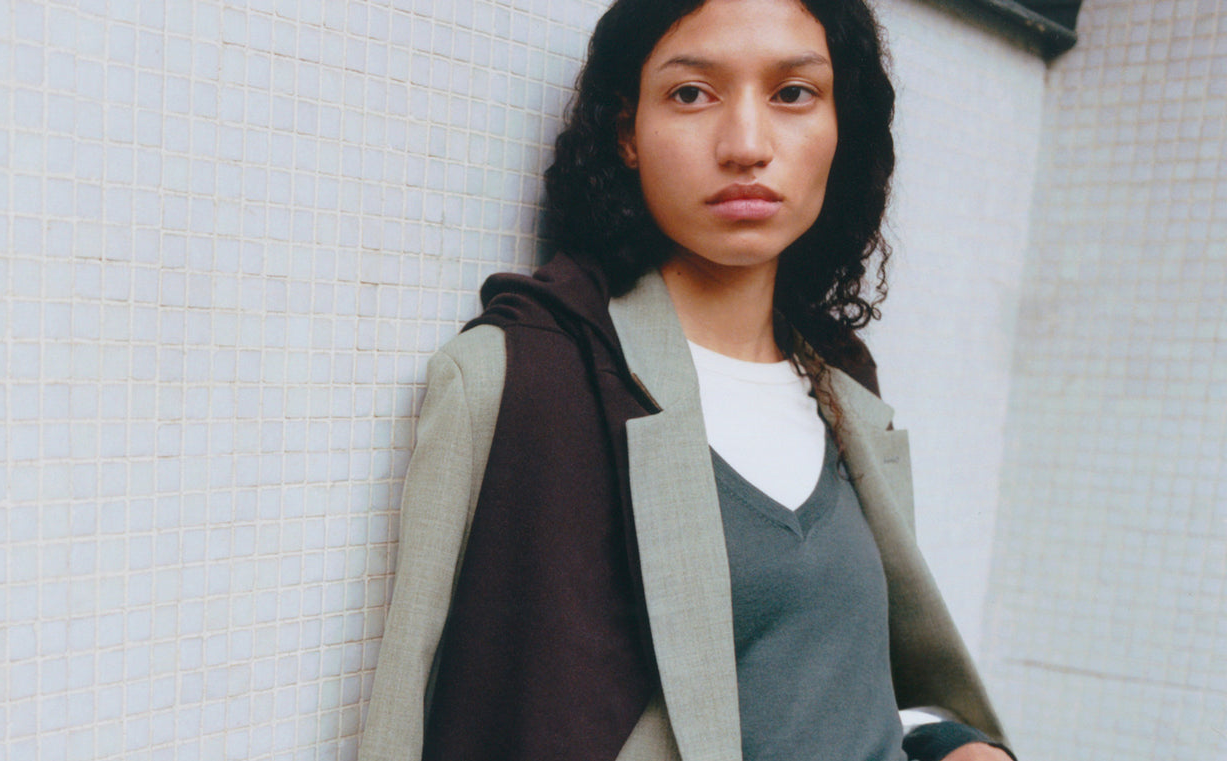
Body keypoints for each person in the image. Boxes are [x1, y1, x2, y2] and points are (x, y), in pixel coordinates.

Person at [359, 1, 1017, 760]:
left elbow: (833, 686)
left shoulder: (844, 383)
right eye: (692, 93)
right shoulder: (524, 377)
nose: (746, 145)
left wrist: (949, 743)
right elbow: (413, 715)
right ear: (626, 132)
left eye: (793, 93)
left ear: (843, 127)